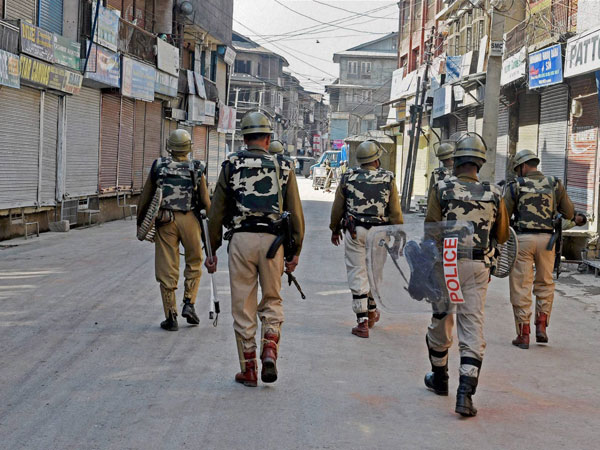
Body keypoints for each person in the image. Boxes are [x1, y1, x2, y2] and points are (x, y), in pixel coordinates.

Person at [206, 111, 305, 387]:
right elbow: (295, 213)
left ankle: (248, 368)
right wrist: (295, 250)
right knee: (272, 299)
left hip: (241, 241)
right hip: (273, 243)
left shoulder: (231, 164)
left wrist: (211, 250)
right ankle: (270, 347)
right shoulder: (283, 166)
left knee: (243, 304)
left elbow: (216, 213)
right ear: (268, 139)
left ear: (244, 138)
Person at [424, 132, 509, 417]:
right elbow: (502, 235)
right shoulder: (494, 193)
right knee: (471, 325)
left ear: (456, 160)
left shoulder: (441, 187)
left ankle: (439, 378)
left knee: (441, 319)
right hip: (478, 265)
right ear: (480, 163)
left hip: (447, 262)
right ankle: (465, 394)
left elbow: (431, 230)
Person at [137, 129, 210, 331]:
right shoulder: (197, 167)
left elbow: (146, 197)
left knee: (167, 267)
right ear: (189, 147)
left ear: (169, 147)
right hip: (190, 220)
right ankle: (189, 303)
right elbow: (205, 201)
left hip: (165, 221)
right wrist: (210, 229)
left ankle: (171, 316)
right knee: (194, 261)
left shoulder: (159, 166)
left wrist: (141, 223)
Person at [329, 139, 403, 338]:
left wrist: (335, 229)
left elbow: (338, 207)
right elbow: (395, 211)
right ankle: (371, 310)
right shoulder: (388, 178)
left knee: (358, 272)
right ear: (377, 159)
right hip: (380, 234)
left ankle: (363, 319)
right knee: (373, 272)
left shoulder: (348, 177)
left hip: (355, 231)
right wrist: (397, 235)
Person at [505, 149, 575, 348]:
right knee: (545, 282)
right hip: (547, 241)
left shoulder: (515, 186)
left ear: (522, 166)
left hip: (522, 240)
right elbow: (569, 213)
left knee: (521, 286)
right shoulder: (554, 184)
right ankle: (541, 326)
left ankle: (523, 334)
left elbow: (504, 216)